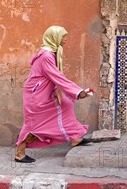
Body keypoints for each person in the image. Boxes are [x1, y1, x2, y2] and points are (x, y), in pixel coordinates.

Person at [14, 25, 93, 163]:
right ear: (54, 38)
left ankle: (75, 138)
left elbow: (56, 77)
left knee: (66, 105)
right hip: (36, 95)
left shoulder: (51, 53)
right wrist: (78, 92)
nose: (65, 39)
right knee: (33, 125)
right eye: (63, 37)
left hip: (44, 91)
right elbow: (57, 76)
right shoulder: (46, 56)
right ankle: (19, 153)